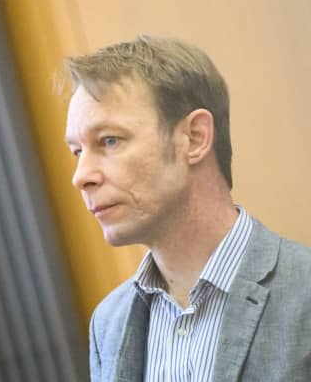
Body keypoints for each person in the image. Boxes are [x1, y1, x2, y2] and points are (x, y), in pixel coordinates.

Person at [63, 35, 311, 381]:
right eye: (77, 151)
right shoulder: (108, 325)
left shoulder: (304, 291)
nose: (81, 176)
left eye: (109, 141)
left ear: (194, 138)